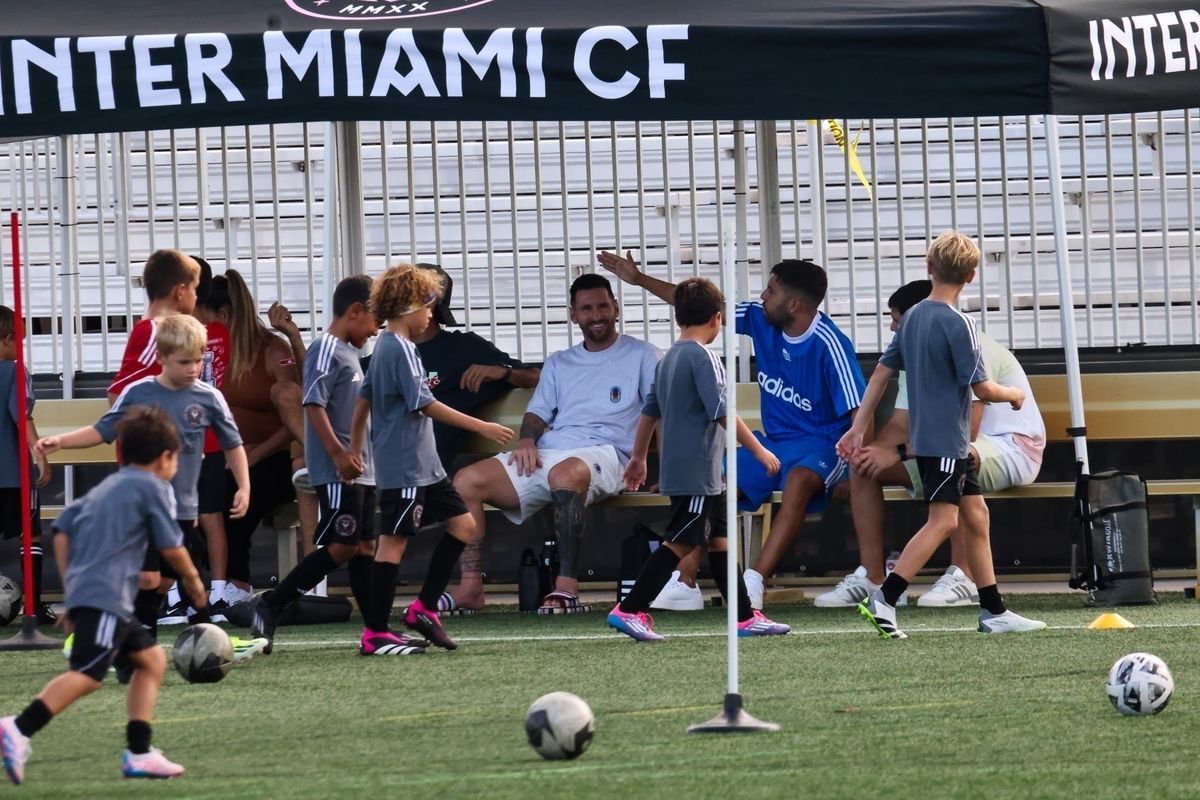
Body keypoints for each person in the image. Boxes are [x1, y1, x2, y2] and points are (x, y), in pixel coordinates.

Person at [598, 251, 864, 610]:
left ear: (795, 304)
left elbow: (860, 413)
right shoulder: (761, 319)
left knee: (800, 480)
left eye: (771, 290)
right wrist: (640, 279)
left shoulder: (831, 344)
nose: (762, 296)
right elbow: (700, 305)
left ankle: (754, 581)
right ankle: (686, 580)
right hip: (775, 443)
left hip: (822, 447)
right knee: (714, 482)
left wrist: (856, 468)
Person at [837, 231, 1046, 638]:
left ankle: (993, 611)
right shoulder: (960, 325)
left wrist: (858, 426)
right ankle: (885, 599)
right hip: (947, 442)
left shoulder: (912, 318)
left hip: (935, 443)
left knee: (976, 516)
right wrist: (1015, 394)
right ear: (971, 276)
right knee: (943, 522)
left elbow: (881, 374)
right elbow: (984, 390)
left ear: (929, 267)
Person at [1, 407, 211, 784]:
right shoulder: (156, 488)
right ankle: (17, 728)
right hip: (106, 596)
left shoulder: (110, 485)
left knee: (150, 661)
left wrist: (73, 586)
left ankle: (140, 752)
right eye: (177, 457)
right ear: (165, 458)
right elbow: (172, 546)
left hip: (99, 595)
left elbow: (62, 528)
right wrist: (193, 580)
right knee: (88, 675)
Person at [452, 272, 659, 614]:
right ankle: (471, 589)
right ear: (574, 315)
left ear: (617, 309)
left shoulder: (643, 354)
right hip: (552, 452)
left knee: (565, 474)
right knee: (465, 481)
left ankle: (566, 588)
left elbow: (659, 411)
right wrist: (526, 440)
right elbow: (537, 412)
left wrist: (647, 459)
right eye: (587, 309)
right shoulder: (559, 361)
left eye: (604, 306)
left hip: (608, 455)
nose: (597, 315)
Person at [36, 315, 251, 643]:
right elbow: (104, 430)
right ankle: (137, 642)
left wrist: (244, 486)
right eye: (184, 362)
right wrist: (61, 441)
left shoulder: (209, 397)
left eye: (198, 360)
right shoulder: (138, 392)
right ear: (162, 358)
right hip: (143, 509)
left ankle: (188, 639)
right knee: (151, 578)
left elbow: (233, 445)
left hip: (185, 512)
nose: (193, 368)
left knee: (168, 580)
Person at [250, 276, 425, 656]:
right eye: (374, 320)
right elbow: (313, 405)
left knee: (362, 546)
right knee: (344, 546)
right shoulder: (326, 348)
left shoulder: (348, 352)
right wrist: (339, 455)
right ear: (355, 311)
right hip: (338, 469)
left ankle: (376, 630)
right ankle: (272, 602)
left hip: (359, 468)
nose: (377, 329)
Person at [342, 264, 512, 651]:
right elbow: (426, 404)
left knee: (464, 525)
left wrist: (354, 446)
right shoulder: (397, 348)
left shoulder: (389, 346)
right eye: (428, 304)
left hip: (426, 465)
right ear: (406, 306)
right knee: (393, 543)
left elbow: (364, 399)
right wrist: (481, 427)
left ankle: (423, 609)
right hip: (404, 466)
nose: (432, 313)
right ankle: (376, 632)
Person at [608, 278, 789, 641]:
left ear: (679, 318)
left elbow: (649, 411)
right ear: (717, 318)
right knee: (682, 539)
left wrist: (640, 457)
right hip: (698, 470)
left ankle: (743, 617)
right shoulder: (703, 357)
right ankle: (630, 608)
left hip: (697, 470)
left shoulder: (669, 357)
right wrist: (758, 449)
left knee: (720, 539)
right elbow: (723, 411)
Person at [411, 263, 540, 613]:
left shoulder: (463, 348)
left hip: (421, 473)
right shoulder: (391, 351)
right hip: (380, 463)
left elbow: (541, 376)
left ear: (430, 301)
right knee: (309, 472)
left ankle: (462, 592)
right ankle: (312, 592)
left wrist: (504, 372)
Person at [104, 250, 202, 632]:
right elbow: (119, 394)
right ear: (180, 291)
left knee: (162, 576)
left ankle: (139, 634)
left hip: (171, 475)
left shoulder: (175, 336)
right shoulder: (153, 332)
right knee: (147, 572)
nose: (197, 297)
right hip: (146, 475)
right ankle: (105, 626)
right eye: (195, 289)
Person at [220, 270, 306, 602]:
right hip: (227, 457)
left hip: (271, 460)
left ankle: (238, 583)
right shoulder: (207, 350)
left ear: (224, 315)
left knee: (240, 489)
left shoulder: (272, 349)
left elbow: (297, 415)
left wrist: (254, 454)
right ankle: (192, 587)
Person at [0, 306, 52, 623]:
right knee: (30, 537)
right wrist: (39, 454)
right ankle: (32, 606)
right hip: (15, 473)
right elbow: (22, 415)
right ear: (8, 339)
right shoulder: (16, 370)